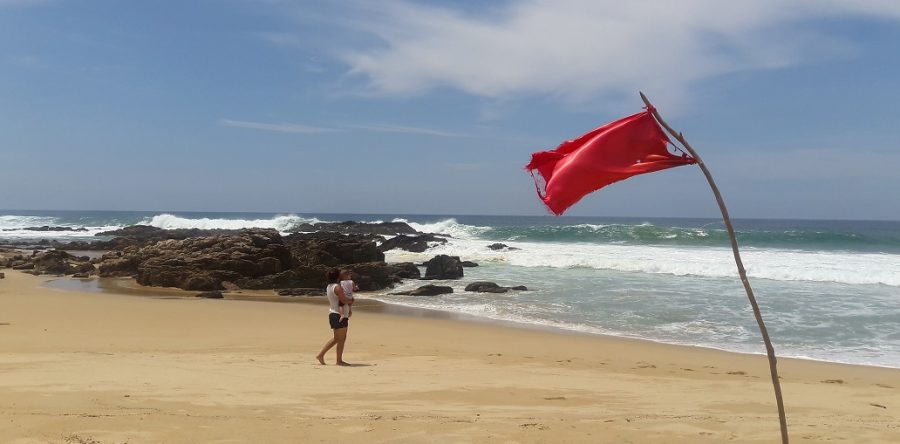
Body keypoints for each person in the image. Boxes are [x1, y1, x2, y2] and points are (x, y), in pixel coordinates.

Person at [316, 268, 353, 366]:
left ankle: (337, 359)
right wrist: (351, 300)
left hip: (333, 313)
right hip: (338, 315)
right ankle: (325, 356)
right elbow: (344, 300)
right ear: (338, 277)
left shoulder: (329, 286)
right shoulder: (337, 287)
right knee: (338, 338)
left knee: (340, 338)